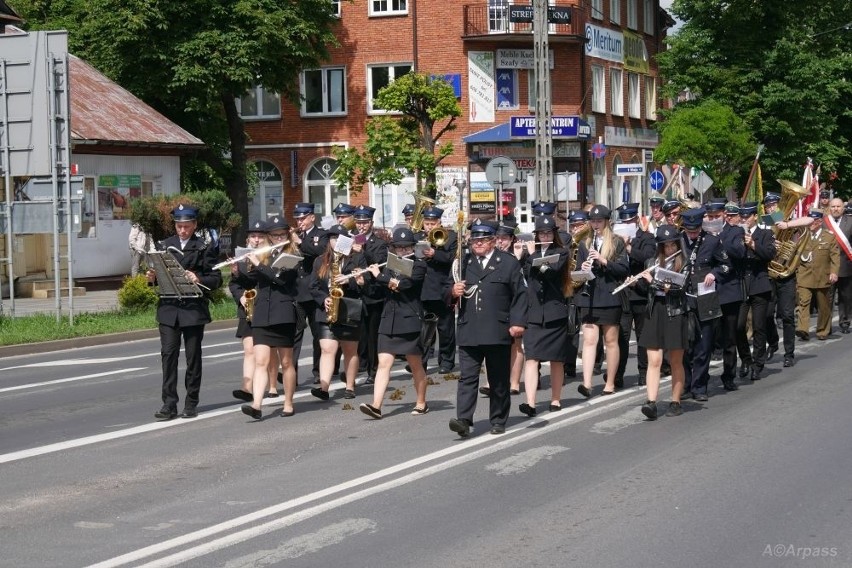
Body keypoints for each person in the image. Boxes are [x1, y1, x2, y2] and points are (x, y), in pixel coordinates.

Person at [448, 220, 527, 437]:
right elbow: (446, 290)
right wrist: (453, 291)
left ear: (493, 241)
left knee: (498, 377)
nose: (478, 244)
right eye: (474, 240)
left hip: (496, 329)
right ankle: (464, 419)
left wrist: (518, 323)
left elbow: (520, 295)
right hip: (469, 328)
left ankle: (499, 419)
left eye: (482, 240)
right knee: (467, 377)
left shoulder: (508, 263)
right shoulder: (463, 262)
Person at [146, 204, 222, 420]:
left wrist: (199, 278)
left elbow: (216, 279)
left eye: (187, 227)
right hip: (169, 309)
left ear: (195, 225)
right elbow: (159, 277)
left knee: (192, 357)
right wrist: (152, 279)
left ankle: (191, 403)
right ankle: (168, 404)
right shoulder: (164, 245)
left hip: (192, 310)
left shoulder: (203, 247)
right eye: (179, 226)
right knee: (168, 356)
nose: (182, 231)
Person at [359, 227, 429, 419]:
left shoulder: (419, 265)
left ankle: (421, 402)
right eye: (398, 248)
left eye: (406, 248)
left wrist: (379, 276)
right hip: (389, 318)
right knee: (383, 363)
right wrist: (364, 280)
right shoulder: (390, 265)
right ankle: (376, 405)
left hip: (409, 319)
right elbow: (380, 290)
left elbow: (404, 285)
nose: (402, 251)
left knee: (415, 364)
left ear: (413, 247)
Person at [240, 216, 301, 420]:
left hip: (283, 314)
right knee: (261, 361)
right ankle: (256, 404)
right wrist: (239, 270)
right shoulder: (263, 255)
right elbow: (253, 279)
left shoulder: (292, 256)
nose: (277, 238)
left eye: (281, 235)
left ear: (287, 235)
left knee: (286, 362)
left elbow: (279, 279)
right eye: (273, 235)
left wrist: (258, 264)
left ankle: (289, 402)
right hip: (262, 313)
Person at [574, 205, 630, 397]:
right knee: (589, 340)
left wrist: (603, 261)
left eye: (599, 221)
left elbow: (623, 270)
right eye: (593, 221)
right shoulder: (585, 243)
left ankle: (610, 383)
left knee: (610, 340)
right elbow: (579, 275)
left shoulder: (616, 242)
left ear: (606, 222)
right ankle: (587, 383)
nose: (595, 224)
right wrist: (584, 268)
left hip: (609, 295)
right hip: (589, 297)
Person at [635, 226, 690, 420]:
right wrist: (636, 283)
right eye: (665, 245)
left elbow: (677, 289)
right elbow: (647, 290)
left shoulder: (684, 262)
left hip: (675, 312)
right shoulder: (651, 262)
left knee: (675, 360)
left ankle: (675, 401)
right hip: (655, 311)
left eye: (672, 244)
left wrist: (652, 282)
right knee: (654, 360)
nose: (668, 248)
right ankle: (651, 402)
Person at [518, 215, 570, 417]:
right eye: (542, 233)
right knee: (531, 358)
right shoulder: (529, 254)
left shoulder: (561, 253)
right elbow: (522, 278)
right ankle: (530, 403)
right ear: (537, 234)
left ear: (554, 234)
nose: (545, 235)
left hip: (553, 312)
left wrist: (531, 256)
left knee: (556, 359)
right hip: (533, 313)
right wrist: (519, 257)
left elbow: (550, 272)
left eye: (548, 233)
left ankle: (555, 399)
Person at [678, 207, 732, 401]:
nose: (691, 234)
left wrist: (713, 274)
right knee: (683, 345)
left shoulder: (712, 241)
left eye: (695, 230)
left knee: (704, 344)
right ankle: (684, 384)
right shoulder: (678, 240)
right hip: (683, 297)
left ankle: (699, 387)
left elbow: (726, 265)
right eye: (688, 230)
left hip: (705, 298)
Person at [309, 224, 367, 401]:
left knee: (350, 350)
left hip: (349, 308)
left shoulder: (356, 259)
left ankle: (349, 386)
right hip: (328, 309)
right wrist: (323, 299)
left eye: (340, 238)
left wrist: (351, 281)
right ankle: (324, 388)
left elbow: (364, 286)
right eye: (333, 238)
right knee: (327, 349)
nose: (336, 242)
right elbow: (313, 286)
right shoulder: (320, 260)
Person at [229, 220, 279, 402]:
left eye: (260, 236)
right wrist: (238, 286)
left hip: (267, 306)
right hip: (248, 307)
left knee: (269, 349)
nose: (256, 240)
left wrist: (257, 262)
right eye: (253, 236)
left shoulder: (270, 257)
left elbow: (270, 279)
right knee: (249, 349)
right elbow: (234, 285)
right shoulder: (241, 258)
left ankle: (272, 384)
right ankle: (247, 387)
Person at [613, 203, 655, 388]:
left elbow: (648, 256)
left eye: (630, 220)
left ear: (636, 220)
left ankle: (643, 373)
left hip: (640, 292)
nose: (627, 223)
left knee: (641, 335)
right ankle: (617, 374)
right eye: (624, 221)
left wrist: (629, 248)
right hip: (622, 292)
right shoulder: (614, 240)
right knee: (620, 336)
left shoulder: (646, 237)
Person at [733, 202, 776, 381]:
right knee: (738, 326)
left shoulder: (765, 234)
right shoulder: (737, 234)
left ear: (754, 217)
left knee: (759, 326)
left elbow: (769, 254)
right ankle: (746, 359)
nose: (744, 220)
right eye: (742, 217)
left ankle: (758, 364)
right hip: (742, 285)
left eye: (747, 216)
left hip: (759, 284)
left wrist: (753, 245)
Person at [290, 202, 328, 385]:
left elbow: (321, 252)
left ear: (312, 217)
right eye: (297, 218)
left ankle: (319, 371)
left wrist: (300, 243)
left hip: (314, 292)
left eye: (303, 218)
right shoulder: (293, 236)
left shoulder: (320, 235)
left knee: (317, 334)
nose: (300, 222)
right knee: (295, 335)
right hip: (296, 291)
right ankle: (291, 373)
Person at [351, 205, 389, 384]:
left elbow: (379, 264)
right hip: (355, 293)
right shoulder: (351, 240)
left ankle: (373, 370)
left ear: (371, 223)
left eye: (364, 222)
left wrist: (363, 251)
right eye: (358, 222)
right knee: (359, 335)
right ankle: (360, 366)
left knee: (372, 335)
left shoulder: (379, 243)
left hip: (373, 295)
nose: (361, 226)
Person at [761, 192, 798, 368]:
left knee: (788, 315)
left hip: (786, 275)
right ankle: (774, 341)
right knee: (767, 313)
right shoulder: (763, 223)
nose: (772, 208)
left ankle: (789, 353)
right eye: (768, 206)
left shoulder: (788, 221)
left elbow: (808, 220)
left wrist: (787, 224)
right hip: (768, 274)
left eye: (774, 205)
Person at [420, 206, 458, 373]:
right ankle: (423, 361)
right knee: (425, 329)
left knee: (445, 329)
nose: (429, 227)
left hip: (442, 289)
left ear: (439, 222)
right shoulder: (417, 237)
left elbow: (452, 258)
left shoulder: (450, 238)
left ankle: (447, 361)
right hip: (422, 289)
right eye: (426, 223)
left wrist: (435, 253)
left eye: (432, 223)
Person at [715, 201, 747, 385]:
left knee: (729, 336)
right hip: (708, 290)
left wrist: (718, 240)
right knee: (710, 335)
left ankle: (729, 375)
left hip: (728, 290)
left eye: (720, 215)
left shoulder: (736, 231)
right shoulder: (703, 231)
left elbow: (739, 251)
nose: (724, 217)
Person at [795, 209, 840, 341]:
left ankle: (822, 330)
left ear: (819, 221)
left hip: (822, 276)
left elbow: (835, 257)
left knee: (824, 305)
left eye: (813, 221)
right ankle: (802, 329)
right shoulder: (803, 236)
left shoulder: (829, 236)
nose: (811, 223)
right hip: (805, 275)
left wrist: (834, 272)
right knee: (803, 303)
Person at [828, 199, 852, 333]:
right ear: (829, 208)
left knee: (846, 296)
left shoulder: (850, 221)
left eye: (838, 206)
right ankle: (826, 325)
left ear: (843, 208)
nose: (836, 209)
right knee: (827, 298)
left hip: (846, 264)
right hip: (828, 266)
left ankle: (844, 321)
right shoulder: (824, 222)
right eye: (833, 206)